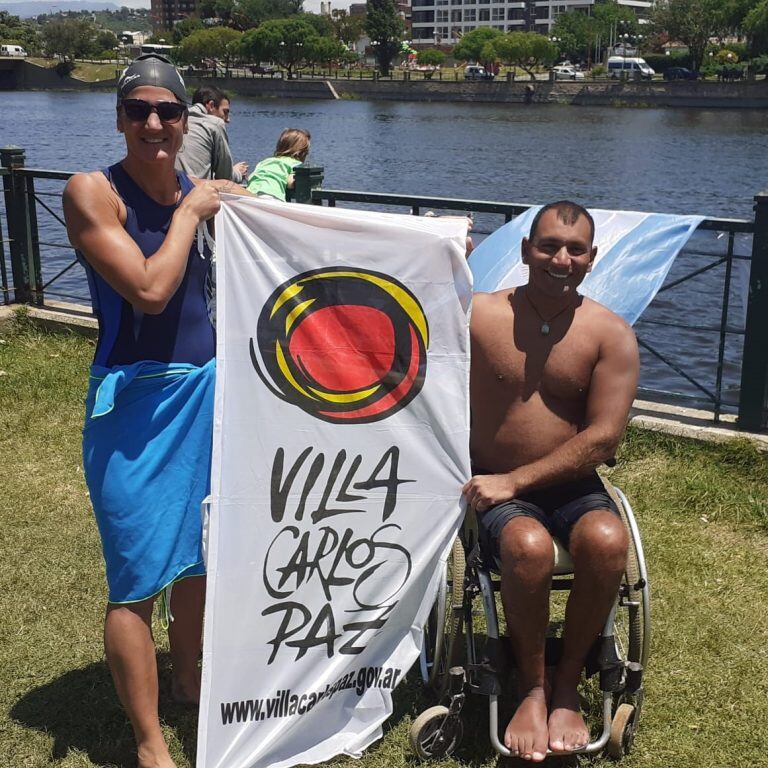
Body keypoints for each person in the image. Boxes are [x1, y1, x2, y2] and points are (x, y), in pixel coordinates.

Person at [63, 55, 246, 768]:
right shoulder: (91, 191)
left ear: (185, 118)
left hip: (206, 391)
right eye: (137, 110)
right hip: (133, 406)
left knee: (200, 559)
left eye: (167, 111)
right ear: (119, 118)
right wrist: (192, 211)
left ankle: (189, 682)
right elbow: (148, 290)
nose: (153, 123)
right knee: (136, 577)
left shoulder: (201, 189)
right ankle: (148, 746)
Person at [462, 201, 639, 762]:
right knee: (528, 546)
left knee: (609, 541)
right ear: (524, 251)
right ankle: (532, 689)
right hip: (490, 482)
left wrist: (519, 479)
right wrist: (438, 254)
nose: (560, 259)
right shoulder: (475, 314)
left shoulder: (610, 333)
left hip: (569, 484)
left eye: (575, 249)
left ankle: (567, 685)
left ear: (591, 259)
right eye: (548, 246)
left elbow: (603, 440)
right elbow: (396, 313)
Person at [175, 84, 248, 183]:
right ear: (211, 106)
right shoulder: (215, 124)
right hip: (194, 192)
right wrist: (239, 173)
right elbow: (225, 178)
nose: (228, 119)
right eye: (225, 112)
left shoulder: (176, 119)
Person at [246, 127, 310, 200]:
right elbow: (290, 183)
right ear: (301, 153)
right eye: (306, 153)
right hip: (271, 195)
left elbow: (251, 177)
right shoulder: (295, 164)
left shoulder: (265, 161)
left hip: (249, 194)